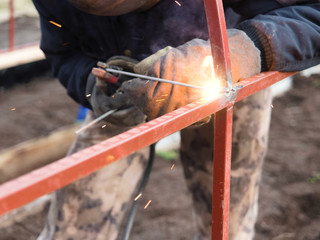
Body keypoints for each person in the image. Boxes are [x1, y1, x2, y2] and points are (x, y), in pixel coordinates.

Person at [32, 0, 320, 239]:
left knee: (226, 219)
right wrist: (91, 86)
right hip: (121, 100)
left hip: (228, 80)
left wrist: (246, 48)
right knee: (75, 218)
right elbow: (63, 50)